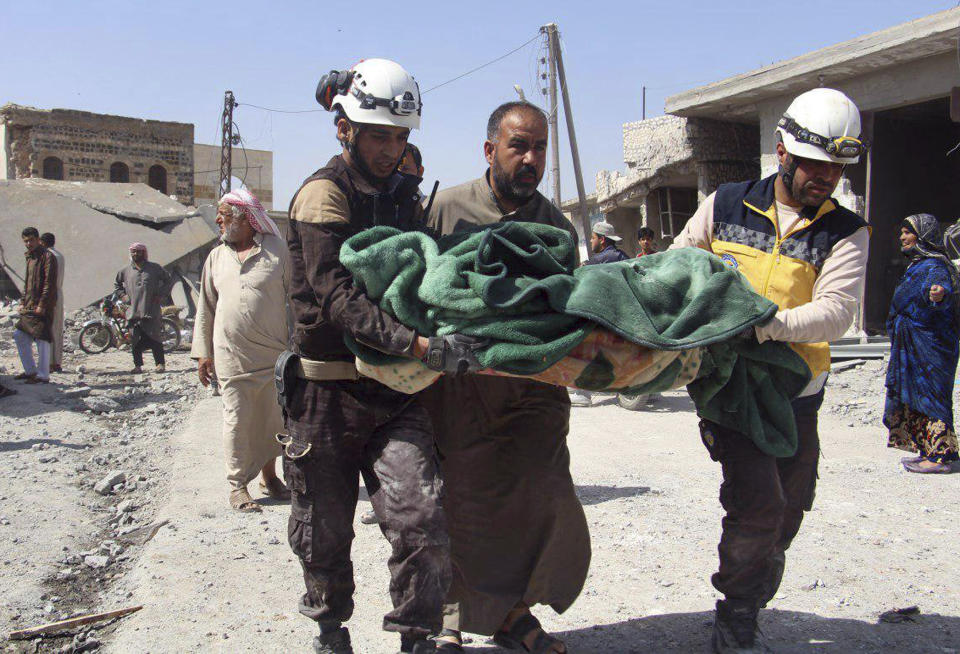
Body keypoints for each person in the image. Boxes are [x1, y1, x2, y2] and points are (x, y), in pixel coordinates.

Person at [671, 88, 870, 653]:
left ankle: (753, 582)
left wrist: (762, 324)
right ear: (782, 152)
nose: (825, 178)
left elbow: (835, 312)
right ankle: (736, 614)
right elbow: (682, 262)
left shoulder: (847, 231)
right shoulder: (725, 204)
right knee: (757, 504)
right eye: (814, 164)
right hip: (732, 392)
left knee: (789, 508)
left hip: (798, 395)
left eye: (835, 169)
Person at [283, 58, 455, 654]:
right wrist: (416, 345)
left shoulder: (406, 197)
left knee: (422, 523)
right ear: (344, 129)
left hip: (393, 393)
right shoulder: (321, 196)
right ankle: (331, 631)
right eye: (379, 134)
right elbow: (335, 294)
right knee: (324, 530)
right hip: (325, 393)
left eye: (400, 136)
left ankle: (418, 638)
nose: (391, 149)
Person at [422, 100, 590, 654]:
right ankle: (446, 614)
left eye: (540, 147)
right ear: (490, 149)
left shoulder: (555, 226)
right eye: (519, 145)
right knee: (458, 501)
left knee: (531, 499)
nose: (531, 158)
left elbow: (570, 307)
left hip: (532, 394)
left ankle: (513, 614)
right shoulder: (446, 211)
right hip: (460, 392)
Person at [192, 189, 291, 513]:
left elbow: (296, 299)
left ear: (246, 218)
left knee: (272, 420)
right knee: (237, 421)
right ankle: (237, 486)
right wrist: (202, 353)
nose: (218, 219)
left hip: (272, 355)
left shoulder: (277, 251)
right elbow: (205, 308)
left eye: (224, 214)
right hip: (232, 357)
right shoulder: (216, 258)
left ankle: (269, 478)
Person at [884, 213, 959, 474]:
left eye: (908, 232)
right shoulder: (918, 264)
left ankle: (943, 457)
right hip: (913, 345)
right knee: (917, 398)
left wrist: (939, 296)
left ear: (924, 235)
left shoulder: (936, 266)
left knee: (932, 398)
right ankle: (928, 451)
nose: (902, 237)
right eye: (901, 233)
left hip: (931, 345)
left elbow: (942, 293)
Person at [114, 243, 171, 374]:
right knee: (135, 339)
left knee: (155, 337)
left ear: (144, 253)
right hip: (133, 311)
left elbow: (168, 280)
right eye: (133, 252)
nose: (135, 254)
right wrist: (123, 297)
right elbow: (117, 285)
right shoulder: (125, 271)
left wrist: (161, 295)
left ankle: (160, 364)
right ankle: (138, 366)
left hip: (151, 309)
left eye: (138, 252)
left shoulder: (155, 268)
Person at [13, 227, 58, 384]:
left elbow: (49, 283)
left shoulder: (47, 256)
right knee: (19, 335)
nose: (28, 243)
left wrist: (42, 304)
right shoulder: (30, 257)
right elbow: (28, 283)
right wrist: (23, 301)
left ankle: (43, 375)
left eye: (31, 240)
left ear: (38, 239)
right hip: (30, 304)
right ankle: (30, 371)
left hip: (42, 304)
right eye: (25, 241)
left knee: (42, 338)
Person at [39, 233, 65, 373]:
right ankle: (56, 362)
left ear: (42, 242)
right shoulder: (60, 255)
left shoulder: (47, 256)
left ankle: (49, 363)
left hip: (49, 295)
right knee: (57, 328)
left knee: (47, 328)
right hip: (58, 294)